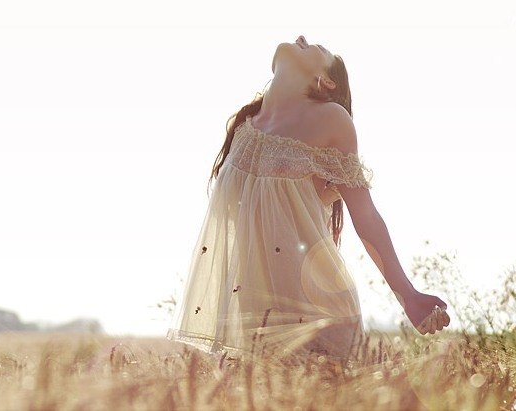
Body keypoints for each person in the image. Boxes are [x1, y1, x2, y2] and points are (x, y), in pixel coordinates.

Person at [166, 35, 450, 363]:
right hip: (255, 318)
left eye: (318, 47)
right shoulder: (242, 127)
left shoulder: (331, 119)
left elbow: (366, 215)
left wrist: (408, 295)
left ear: (326, 81)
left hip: (319, 310)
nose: (301, 38)